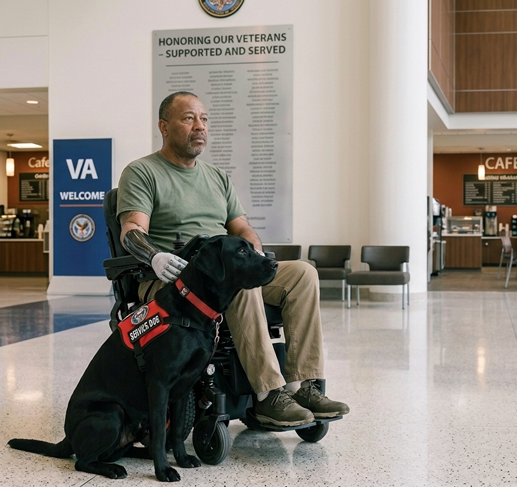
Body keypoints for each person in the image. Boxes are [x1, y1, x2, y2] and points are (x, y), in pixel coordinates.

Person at [116, 91, 349, 427]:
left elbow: (242, 228)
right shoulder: (143, 172)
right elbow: (132, 229)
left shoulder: (217, 177)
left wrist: (252, 254)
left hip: (221, 271)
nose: (200, 126)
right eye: (188, 118)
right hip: (173, 280)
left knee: (302, 273)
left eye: (204, 119)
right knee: (237, 283)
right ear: (163, 127)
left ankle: (304, 385)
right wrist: (155, 257)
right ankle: (269, 395)